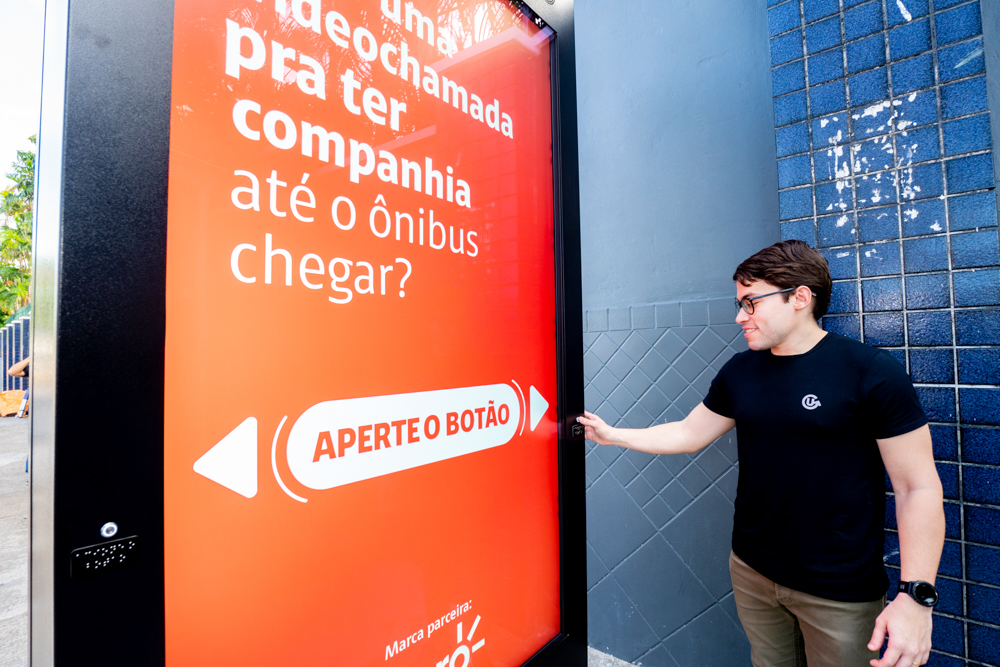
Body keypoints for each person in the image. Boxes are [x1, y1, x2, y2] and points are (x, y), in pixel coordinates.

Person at [579, 240, 944, 667]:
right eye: (739, 304)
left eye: (751, 302)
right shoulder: (740, 370)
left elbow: (917, 487)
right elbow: (689, 432)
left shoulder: (870, 372)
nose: (740, 316)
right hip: (752, 571)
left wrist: (915, 597)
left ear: (800, 298)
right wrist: (613, 435)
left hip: (838, 591)